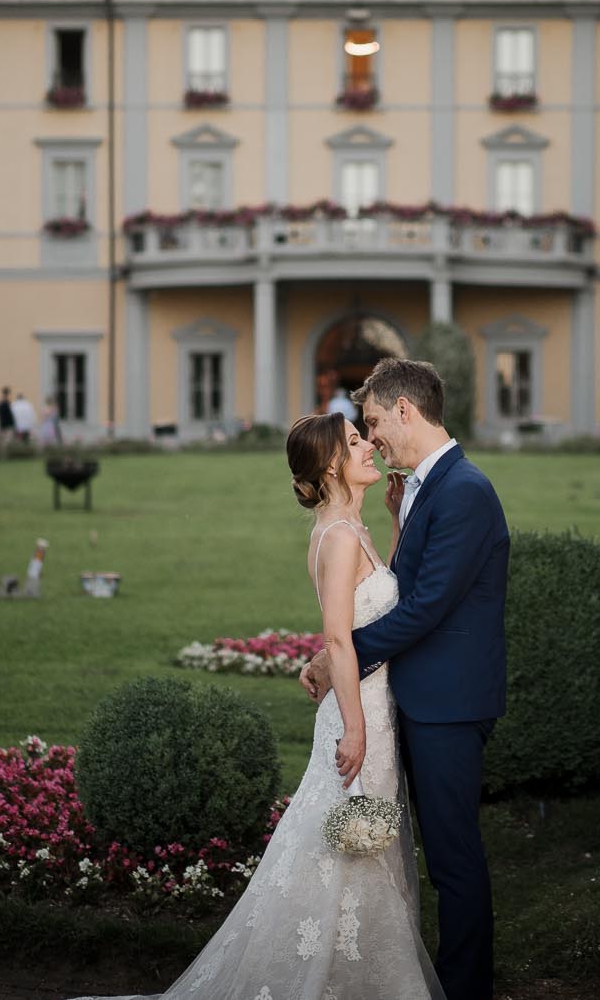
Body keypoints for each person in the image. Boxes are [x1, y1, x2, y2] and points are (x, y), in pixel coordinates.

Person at [73, 413, 443, 1000]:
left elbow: (377, 604)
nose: (369, 445)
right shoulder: (342, 536)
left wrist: (397, 525)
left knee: (361, 848)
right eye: (354, 442)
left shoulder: (349, 527)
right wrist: (353, 726)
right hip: (361, 715)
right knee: (351, 847)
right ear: (329, 466)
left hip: (371, 709)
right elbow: (340, 640)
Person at [302, 357, 509, 1000]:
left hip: (449, 702)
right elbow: (401, 590)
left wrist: (338, 658)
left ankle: (465, 988)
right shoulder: (421, 485)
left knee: (452, 857)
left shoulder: (464, 490)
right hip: (418, 698)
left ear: (404, 411)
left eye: (372, 423)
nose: (373, 438)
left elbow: (426, 608)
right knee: (424, 854)